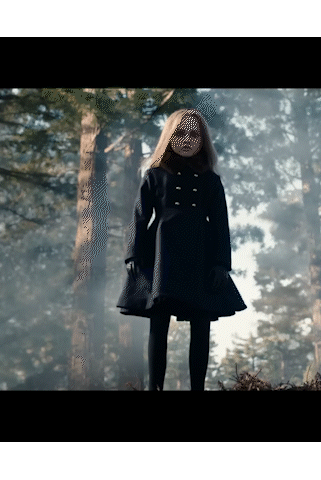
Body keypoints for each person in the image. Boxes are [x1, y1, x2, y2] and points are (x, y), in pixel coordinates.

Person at [116, 108, 246, 391]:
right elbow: (140, 216)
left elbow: (221, 224)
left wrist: (222, 264)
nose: (187, 139)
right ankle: (155, 388)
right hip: (161, 254)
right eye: (180, 133)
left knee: (201, 322)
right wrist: (133, 253)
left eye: (193, 134)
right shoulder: (155, 175)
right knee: (158, 323)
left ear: (203, 140)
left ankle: (197, 388)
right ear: (169, 136)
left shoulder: (211, 180)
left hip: (201, 255)